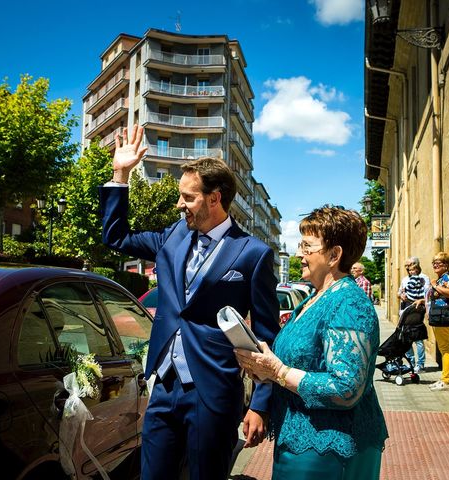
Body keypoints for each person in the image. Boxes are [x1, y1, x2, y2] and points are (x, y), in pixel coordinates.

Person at [99, 125, 281, 480]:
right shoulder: (173, 235)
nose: (179, 203)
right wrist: (120, 174)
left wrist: (260, 404)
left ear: (214, 199)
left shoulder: (253, 254)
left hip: (213, 390)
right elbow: (116, 236)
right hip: (164, 385)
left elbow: (265, 334)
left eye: (188, 197)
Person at [235, 205, 388, 480]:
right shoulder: (314, 298)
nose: (299, 255)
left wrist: (278, 372)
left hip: (330, 450)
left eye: (307, 247)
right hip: (301, 445)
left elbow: (346, 388)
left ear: (334, 255)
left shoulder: (349, 303)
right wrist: (262, 369)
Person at [424, 252, 449, 392]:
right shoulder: (440, 278)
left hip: (444, 316)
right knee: (443, 348)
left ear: (446, 264)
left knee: (445, 348)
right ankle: (444, 379)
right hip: (437, 316)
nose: (435, 265)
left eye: (439, 263)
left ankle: (446, 381)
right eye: (434, 263)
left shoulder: (448, 277)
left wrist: (434, 285)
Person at [398, 258, 430, 373]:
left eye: (409, 265)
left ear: (416, 265)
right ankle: (411, 363)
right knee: (406, 338)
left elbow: (427, 295)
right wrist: (401, 295)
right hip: (405, 310)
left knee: (418, 338)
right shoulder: (405, 279)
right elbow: (400, 291)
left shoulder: (424, 278)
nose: (407, 268)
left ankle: (420, 364)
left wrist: (420, 301)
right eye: (406, 266)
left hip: (417, 310)